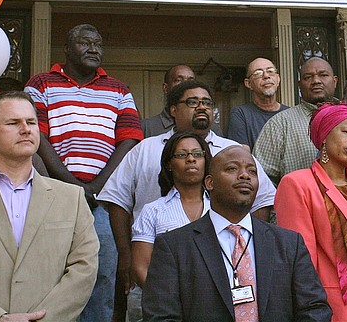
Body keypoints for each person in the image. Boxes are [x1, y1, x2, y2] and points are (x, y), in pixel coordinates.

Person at [98, 79, 276, 321]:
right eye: (192, 102)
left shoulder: (233, 150)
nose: (201, 107)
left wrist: (246, 249)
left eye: (207, 103)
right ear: (173, 110)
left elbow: (262, 199)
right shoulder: (145, 149)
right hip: (155, 287)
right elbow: (117, 200)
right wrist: (126, 257)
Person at [0, 91, 98, 322]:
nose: (26, 129)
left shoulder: (72, 198)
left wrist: (43, 319)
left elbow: (84, 268)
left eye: (31, 122)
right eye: (13, 122)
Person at [24, 23, 143, 322]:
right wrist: (72, 185)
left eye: (98, 43)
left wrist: (98, 187)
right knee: (50, 274)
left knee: (101, 276)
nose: (93, 48)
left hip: (101, 203)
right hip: (52, 196)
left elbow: (129, 137)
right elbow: (37, 137)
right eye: (84, 42)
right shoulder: (40, 84)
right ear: (66, 49)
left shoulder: (119, 89)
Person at [142, 145, 333, 321]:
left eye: (252, 171)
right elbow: (161, 316)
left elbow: (314, 309)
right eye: (232, 169)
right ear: (209, 182)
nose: (244, 176)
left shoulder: (288, 243)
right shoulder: (174, 246)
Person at [276, 103, 347, 321]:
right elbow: (301, 261)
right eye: (346, 132)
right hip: (334, 307)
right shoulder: (298, 184)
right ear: (324, 135)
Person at [130, 131, 210, 287]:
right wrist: (166, 300)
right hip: (166, 303)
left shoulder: (219, 208)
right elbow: (141, 268)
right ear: (169, 164)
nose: (191, 159)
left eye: (197, 154)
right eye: (181, 155)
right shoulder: (153, 211)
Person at [255, 57, 339, 185]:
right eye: (308, 77)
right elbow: (262, 179)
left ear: (334, 81)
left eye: (323, 75)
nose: (316, 81)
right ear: (299, 86)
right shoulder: (280, 124)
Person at [227, 57, 289, 148]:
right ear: (248, 83)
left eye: (270, 71)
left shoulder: (290, 114)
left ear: (278, 79)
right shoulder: (240, 114)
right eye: (258, 73)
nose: (266, 76)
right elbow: (241, 156)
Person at [141, 64, 195, 138]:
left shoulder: (209, 127)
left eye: (191, 81)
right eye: (179, 80)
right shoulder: (146, 127)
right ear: (166, 88)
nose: (186, 85)